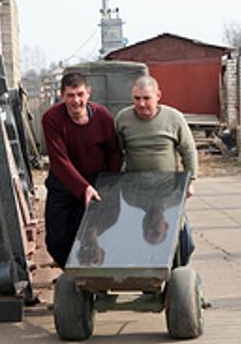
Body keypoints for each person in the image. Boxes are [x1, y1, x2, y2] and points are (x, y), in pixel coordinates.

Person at [115, 75, 199, 265]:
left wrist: (190, 181)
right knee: (138, 240)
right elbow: (116, 152)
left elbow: (188, 150)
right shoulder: (123, 118)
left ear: (158, 95)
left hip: (168, 189)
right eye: (137, 98)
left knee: (186, 242)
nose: (142, 104)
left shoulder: (173, 118)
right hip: (135, 190)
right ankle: (146, 274)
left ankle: (177, 272)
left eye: (147, 98)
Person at [42, 72, 122, 268]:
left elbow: (114, 151)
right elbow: (59, 160)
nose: (76, 100)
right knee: (57, 240)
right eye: (70, 95)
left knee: (89, 234)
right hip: (63, 182)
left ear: (88, 93)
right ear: (62, 95)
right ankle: (70, 274)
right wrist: (82, 187)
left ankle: (93, 272)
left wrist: (109, 182)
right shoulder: (52, 118)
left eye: (80, 94)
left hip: (96, 183)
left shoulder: (103, 117)